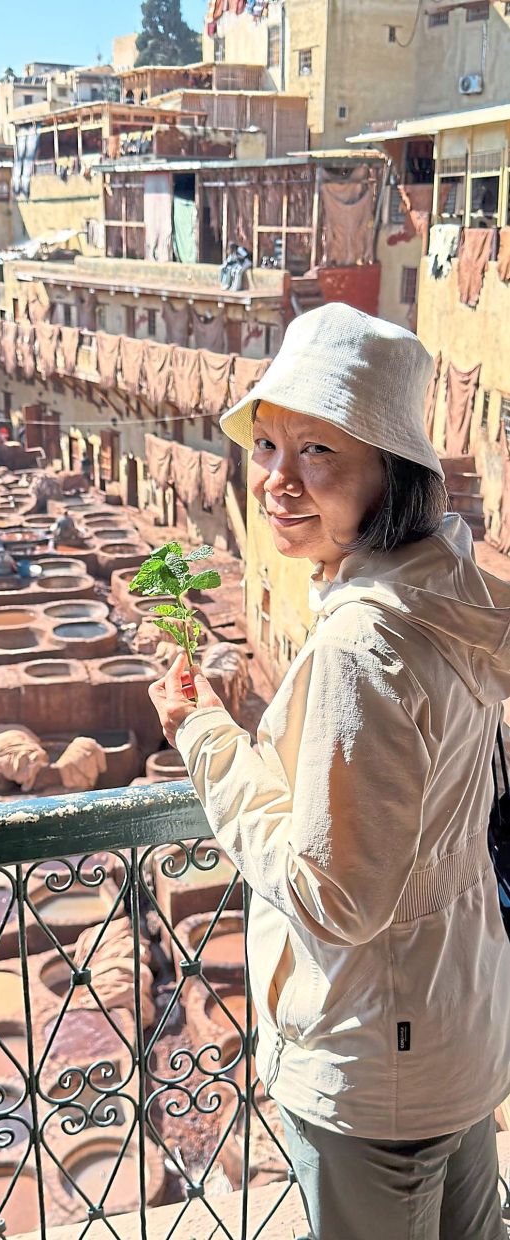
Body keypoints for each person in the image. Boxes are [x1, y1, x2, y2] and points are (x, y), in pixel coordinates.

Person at [148, 303, 510, 1240]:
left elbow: (336, 898)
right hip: (456, 1021)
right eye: (268, 445)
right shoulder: (446, 587)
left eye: (318, 451)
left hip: (372, 1056)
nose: (275, 479)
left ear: (391, 474)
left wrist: (203, 734)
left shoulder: (361, 644)